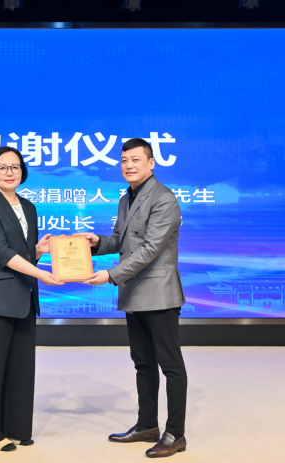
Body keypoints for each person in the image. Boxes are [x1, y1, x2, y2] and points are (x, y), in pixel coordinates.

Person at [79, 138, 188, 458]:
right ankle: (147, 425)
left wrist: (111, 275)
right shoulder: (126, 198)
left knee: (170, 365)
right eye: (124, 160)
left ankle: (176, 434)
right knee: (142, 363)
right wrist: (98, 242)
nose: (128, 165)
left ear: (151, 163)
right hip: (134, 292)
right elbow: (122, 240)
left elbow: (151, 249)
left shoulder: (164, 198)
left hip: (158, 293)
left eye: (135, 160)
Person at [0, 146, 63, 452]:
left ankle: (17, 427)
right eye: (2, 167)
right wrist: (41, 273)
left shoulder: (29, 207)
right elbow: (1, 252)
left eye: (15, 167)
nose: (9, 173)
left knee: (22, 366)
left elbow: (22, 254)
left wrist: (39, 251)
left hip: (23, 294)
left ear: (22, 172)